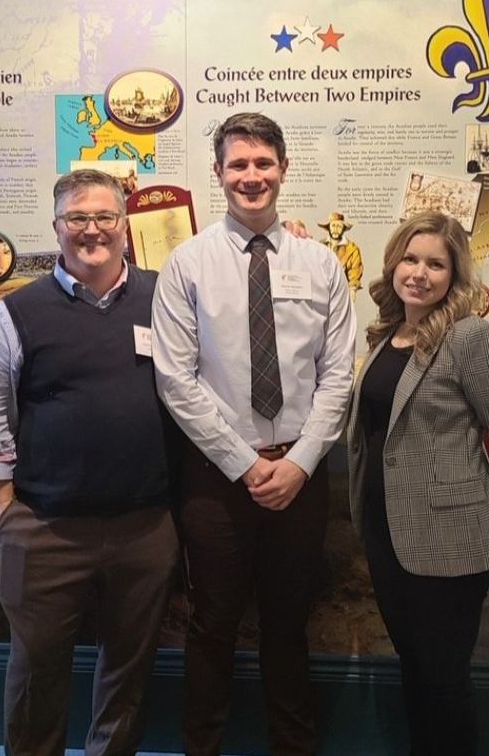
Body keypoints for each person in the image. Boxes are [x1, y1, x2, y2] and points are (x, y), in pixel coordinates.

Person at [152, 112, 356, 756]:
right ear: (218, 174)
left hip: (301, 476)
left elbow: (338, 377)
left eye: (263, 163)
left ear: (284, 170)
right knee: (212, 625)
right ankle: (202, 747)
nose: (251, 176)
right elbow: (175, 380)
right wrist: (245, 464)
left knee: (289, 625)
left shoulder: (321, 265)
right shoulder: (186, 265)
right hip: (216, 479)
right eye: (238, 165)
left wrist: (296, 464)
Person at [0, 169, 179, 756]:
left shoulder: (166, 296)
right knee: (36, 675)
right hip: (45, 528)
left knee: (127, 676)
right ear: (57, 227)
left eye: (105, 217)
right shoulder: (17, 312)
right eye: (77, 219)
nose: (92, 230)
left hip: (145, 527)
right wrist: (5, 511)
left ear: (124, 224)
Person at [346, 211, 489, 756]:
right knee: (416, 669)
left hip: (450, 539)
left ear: (454, 275)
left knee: (443, 679)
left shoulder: (469, 338)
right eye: (411, 259)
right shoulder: (388, 335)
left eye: (436, 264)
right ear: (394, 264)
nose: (420, 273)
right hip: (386, 531)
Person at [317, 210, 364, 299]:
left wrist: (352, 290)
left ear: (343, 229)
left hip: (341, 293)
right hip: (321, 292)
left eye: (339, 226)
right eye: (333, 226)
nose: (335, 229)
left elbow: (355, 271)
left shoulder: (352, 249)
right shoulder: (319, 246)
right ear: (329, 227)